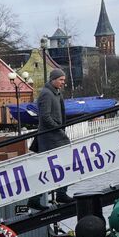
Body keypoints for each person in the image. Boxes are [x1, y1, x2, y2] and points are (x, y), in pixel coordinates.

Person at [33, 70, 71, 208]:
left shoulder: (56, 93)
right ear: (53, 79)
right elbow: (45, 117)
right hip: (49, 137)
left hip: (55, 135)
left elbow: (61, 113)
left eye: (63, 79)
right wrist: (58, 128)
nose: (63, 82)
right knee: (48, 167)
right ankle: (38, 198)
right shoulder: (46, 94)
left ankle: (60, 192)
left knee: (60, 164)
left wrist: (62, 127)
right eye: (60, 79)